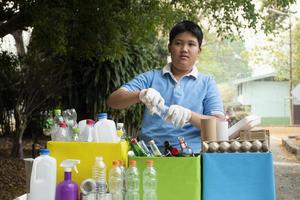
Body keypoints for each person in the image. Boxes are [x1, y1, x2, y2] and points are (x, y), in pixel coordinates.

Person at [107, 20, 224, 153]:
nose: (184, 49)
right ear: (169, 47)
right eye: (178, 43)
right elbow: (113, 101)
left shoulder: (207, 83)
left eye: (191, 44)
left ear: (199, 50)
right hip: (150, 154)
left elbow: (219, 124)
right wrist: (141, 94)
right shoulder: (151, 78)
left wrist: (189, 115)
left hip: (192, 156)